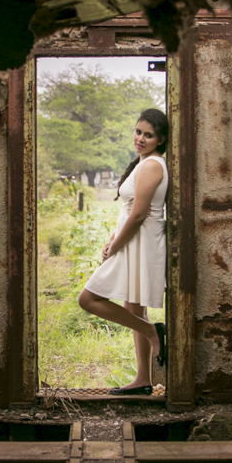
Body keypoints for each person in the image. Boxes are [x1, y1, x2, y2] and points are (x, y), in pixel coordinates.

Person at [78, 108, 169, 395]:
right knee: (133, 307)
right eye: (138, 131)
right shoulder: (143, 163)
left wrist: (115, 246)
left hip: (140, 242)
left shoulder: (153, 165)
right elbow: (128, 210)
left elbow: (140, 214)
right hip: (132, 239)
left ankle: (152, 332)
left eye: (149, 135)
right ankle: (144, 379)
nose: (140, 138)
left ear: (161, 139)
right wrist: (111, 238)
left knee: (88, 299)